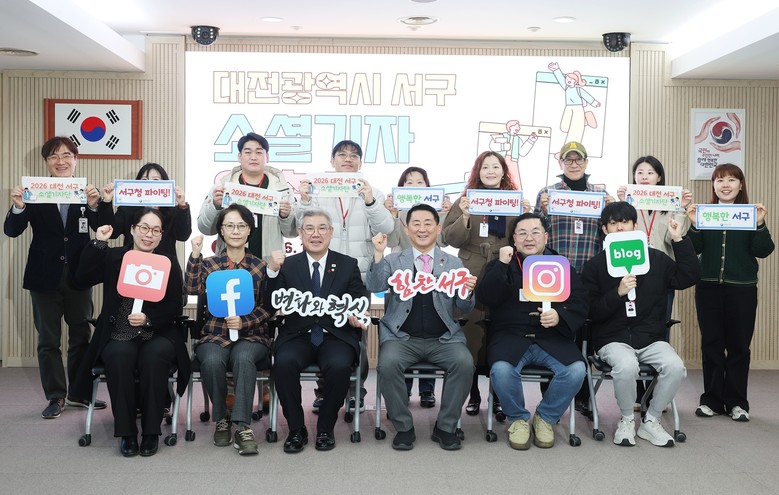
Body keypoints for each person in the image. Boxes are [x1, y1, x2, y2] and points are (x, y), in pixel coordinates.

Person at [4, 136, 114, 419]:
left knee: (81, 336)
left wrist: (95, 206)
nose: (60, 161)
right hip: (43, 276)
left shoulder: (85, 192)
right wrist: (19, 206)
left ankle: (78, 392)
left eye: (66, 155)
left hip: (79, 275)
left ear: (75, 160)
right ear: (46, 162)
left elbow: (105, 228)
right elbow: (12, 230)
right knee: (48, 340)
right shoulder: (35, 191)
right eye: (53, 156)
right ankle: (56, 396)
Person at [71, 208, 189, 457]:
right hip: (119, 331)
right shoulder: (115, 257)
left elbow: (175, 305)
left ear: (161, 235)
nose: (149, 235)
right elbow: (81, 278)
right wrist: (98, 243)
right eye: (144, 228)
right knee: (118, 356)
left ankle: (151, 432)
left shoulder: (168, 262)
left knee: (154, 357)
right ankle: (126, 433)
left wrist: (149, 319)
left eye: (155, 230)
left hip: (157, 332)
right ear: (133, 230)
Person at [581, 202, 700, 447]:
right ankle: (626, 420)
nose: (620, 228)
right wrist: (617, 293)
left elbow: (688, 276)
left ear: (635, 226)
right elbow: (591, 311)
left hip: (650, 338)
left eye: (625, 222)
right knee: (626, 366)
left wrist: (678, 240)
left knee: (676, 367)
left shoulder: (655, 259)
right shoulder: (595, 266)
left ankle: (651, 420)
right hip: (612, 339)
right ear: (604, 229)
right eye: (613, 223)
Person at [367, 204, 476, 450]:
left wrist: (467, 292)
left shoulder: (454, 263)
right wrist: (378, 254)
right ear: (406, 229)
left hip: (444, 338)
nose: (422, 229)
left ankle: (445, 427)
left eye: (428, 223)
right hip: (401, 337)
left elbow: (464, 307)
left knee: (464, 363)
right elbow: (375, 286)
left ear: (438, 228)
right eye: (416, 223)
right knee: (387, 364)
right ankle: (404, 427)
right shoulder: (394, 260)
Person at [297, 140, 393, 411]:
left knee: (355, 336)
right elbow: (299, 226)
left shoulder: (373, 192)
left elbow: (387, 228)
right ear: (332, 161)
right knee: (321, 331)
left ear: (360, 162)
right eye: (342, 154)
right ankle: (324, 391)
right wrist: (304, 201)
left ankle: (356, 392)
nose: (348, 159)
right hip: (321, 275)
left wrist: (370, 201)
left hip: (359, 277)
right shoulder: (318, 190)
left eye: (354, 155)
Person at [477, 213, 587, 450]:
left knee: (576, 370)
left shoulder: (561, 265)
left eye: (535, 232)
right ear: (514, 239)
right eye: (522, 233)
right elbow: (485, 297)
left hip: (552, 337)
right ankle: (518, 419)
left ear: (546, 237)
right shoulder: (501, 263)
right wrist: (502, 265)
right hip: (510, 336)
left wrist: (560, 316)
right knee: (501, 371)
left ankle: (545, 417)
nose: (529, 238)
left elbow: (580, 302)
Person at [267, 209, 370, 453]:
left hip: (335, 335)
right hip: (297, 335)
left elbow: (358, 300)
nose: (316, 234)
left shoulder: (347, 264)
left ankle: (325, 428)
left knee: (339, 365)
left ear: (331, 232)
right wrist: (271, 272)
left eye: (322, 228)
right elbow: (271, 304)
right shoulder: (288, 266)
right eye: (309, 228)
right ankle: (296, 429)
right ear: (300, 233)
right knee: (283, 363)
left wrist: (356, 316)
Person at [441, 151, 531, 417]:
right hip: (471, 268)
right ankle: (473, 394)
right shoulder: (466, 199)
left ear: (504, 172)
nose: (490, 171)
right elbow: (449, 239)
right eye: (485, 167)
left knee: (501, 330)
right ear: (477, 172)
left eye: (495, 167)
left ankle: (499, 395)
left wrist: (526, 215)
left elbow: (525, 239)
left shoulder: (514, 200)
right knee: (469, 331)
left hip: (504, 267)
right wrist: (464, 216)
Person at [685, 164, 774, 422]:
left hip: (742, 289)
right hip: (708, 288)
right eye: (720, 180)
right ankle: (711, 400)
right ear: (713, 185)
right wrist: (694, 225)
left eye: (732, 180)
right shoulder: (705, 214)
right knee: (711, 344)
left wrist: (759, 223)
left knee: (739, 346)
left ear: (740, 185)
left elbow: (763, 250)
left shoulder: (750, 214)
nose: (725, 185)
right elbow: (693, 249)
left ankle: (737, 402)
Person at [184, 204, 274, 456]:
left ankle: (243, 426)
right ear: (221, 231)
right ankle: (222, 418)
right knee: (212, 360)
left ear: (249, 231)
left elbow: (269, 308)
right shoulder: (209, 264)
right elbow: (191, 289)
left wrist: (245, 322)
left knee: (243, 358)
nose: (236, 231)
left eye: (241, 226)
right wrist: (195, 254)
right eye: (229, 226)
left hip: (252, 336)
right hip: (214, 333)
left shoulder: (261, 266)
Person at [535, 141, 613, 411]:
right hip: (554, 276)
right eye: (568, 160)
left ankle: (582, 397)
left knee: (584, 336)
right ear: (561, 163)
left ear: (586, 162)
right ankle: (550, 397)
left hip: (589, 276)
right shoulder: (548, 193)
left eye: (578, 159)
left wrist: (611, 211)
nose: (574, 164)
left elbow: (609, 233)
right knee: (554, 334)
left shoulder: (601, 195)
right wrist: (542, 210)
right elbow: (535, 232)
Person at [617, 155, 692, 407]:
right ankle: (638, 393)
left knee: (658, 331)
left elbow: (674, 238)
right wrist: (621, 203)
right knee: (631, 329)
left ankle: (655, 393)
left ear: (659, 177)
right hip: (631, 275)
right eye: (640, 172)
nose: (644, 177)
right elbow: (619, 234)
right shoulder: (629, 203)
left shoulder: (671, 204)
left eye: (650, 172)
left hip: (661, 276)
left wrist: (681, 209)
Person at [383, 166, 452, 407]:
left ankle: (427, 389)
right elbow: (391, 241)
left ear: (428, 186)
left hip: (430, 270)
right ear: (401, 187)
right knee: (403, 330)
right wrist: (392, 215)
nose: (414, 186)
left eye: (419, 182)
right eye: (408, 182)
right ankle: (404, 390)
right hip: (401, 274)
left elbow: (443, 240)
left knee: (429, 326)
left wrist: (445, 213)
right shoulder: (398, 210)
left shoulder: (434, 211)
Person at [197, 132, 296, 259]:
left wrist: (286, 216)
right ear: (239, 156)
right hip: (230, 263)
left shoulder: (282, 190)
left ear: (267, 156)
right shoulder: (223, 187)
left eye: (259, 152)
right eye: (248, 152)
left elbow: (292, 232)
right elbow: (205, 229)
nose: (253, 157)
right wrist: (215, 206)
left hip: (270, 263)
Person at [111, 162, 191, 261]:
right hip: (132, 262)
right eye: (144, 180)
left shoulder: (173, 211)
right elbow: (112, 233)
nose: (149, 184)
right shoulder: (127, 209)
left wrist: (182, 205)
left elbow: (183, 236)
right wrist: (106, 202)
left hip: (163, 263)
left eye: (156, 180)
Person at [547, 62, 601, 145]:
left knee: (576, 129)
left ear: (575, 82)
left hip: (578, 108)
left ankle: (569, 147)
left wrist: (594, 102)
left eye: (572, 79)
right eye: (567, 78)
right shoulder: (566, 87)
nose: (569, 80)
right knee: (564, 127)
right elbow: (561, 79)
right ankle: (585, 120)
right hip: (568, 107)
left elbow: (586, 96)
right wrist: (556, 69)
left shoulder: (578, 89)